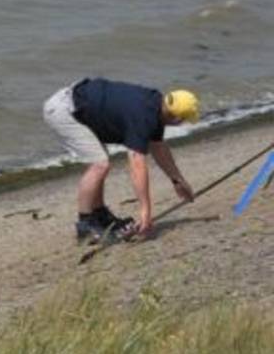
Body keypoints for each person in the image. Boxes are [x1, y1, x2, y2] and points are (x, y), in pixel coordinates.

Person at [42, 77, 200, 243]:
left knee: (100, 161)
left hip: (79, 103)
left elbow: (158, 147)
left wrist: (178, 180)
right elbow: (136, 163)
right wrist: (145, 210)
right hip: (64, 111)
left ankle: (99, 214)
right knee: (100, 164)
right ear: (175, 117)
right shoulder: (144, 117)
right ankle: (85, 224)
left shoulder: (156, 105)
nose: (181, 124)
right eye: (183, 120)